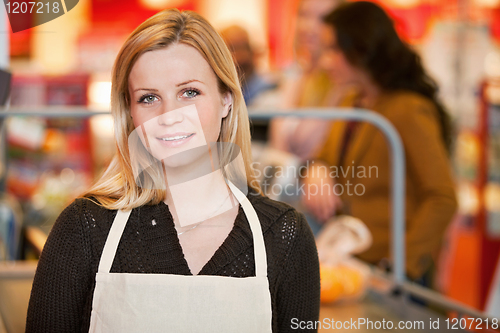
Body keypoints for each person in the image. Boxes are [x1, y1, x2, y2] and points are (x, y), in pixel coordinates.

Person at [26, 9, 320, 332]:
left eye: (189, 92)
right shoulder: (84, 228)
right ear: (130, 114)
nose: (169, 115)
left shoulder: (284, 236)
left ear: (226, 100)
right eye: (149, 98)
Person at [302, 1, 458, 282]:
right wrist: (317, 169)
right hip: (351, 261)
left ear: (362, 49)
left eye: (334, 49)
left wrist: (399, 266)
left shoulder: (407, 109)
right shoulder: (353, 102)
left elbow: (442, 198)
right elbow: (323, 156)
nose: (325, 61)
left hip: (390, 274)